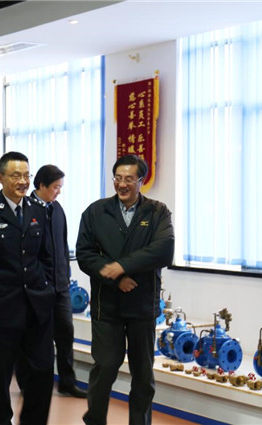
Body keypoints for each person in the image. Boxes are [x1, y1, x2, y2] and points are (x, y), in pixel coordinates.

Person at [76, 154, 174, 425]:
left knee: (143, 375)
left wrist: (121, 266)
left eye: (129, 179)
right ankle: (95, 419)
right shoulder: (96, 212)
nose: (122, 184)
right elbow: (85, 254)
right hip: (107, 305)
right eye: (118, 178)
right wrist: (116, 278)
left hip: (142, 305)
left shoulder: (157, 212)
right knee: (105, 367)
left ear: (141, 181)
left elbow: (164, 250)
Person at [0, 152, 55, 425]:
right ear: (0, 177)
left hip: (37, 305)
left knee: (42, 371)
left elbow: (47, 257)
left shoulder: (39, 209)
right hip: (1, 307)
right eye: (16, 175)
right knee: (0, 375)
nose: (23, 181)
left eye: (26, 175)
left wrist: (49, 290)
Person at [15, 165, 87, 397]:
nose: (58, 192)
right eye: (55, 187)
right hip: (37, 288)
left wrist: (65, 276)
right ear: (41, 185)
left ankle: (67, 381)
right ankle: (28, 383)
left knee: (65, 333)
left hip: (61, 286)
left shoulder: (57, 209)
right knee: (34, 338)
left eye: (60, 187)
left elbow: (63, 247)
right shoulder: (25, 209)